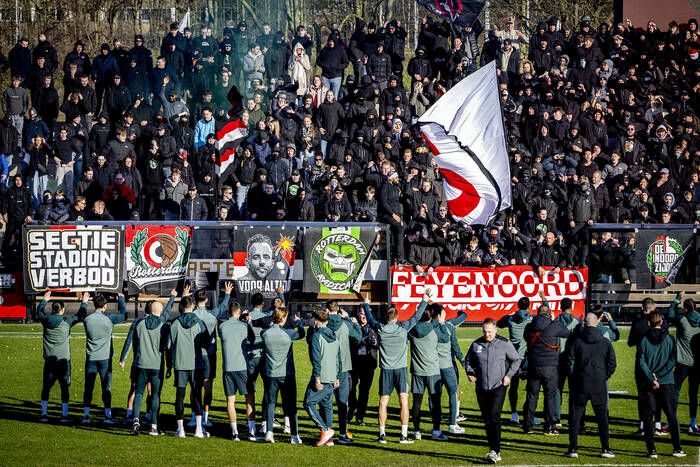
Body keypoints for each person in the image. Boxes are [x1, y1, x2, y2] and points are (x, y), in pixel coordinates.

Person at [363, 289, 432, 444]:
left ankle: (382, 435)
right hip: (400, 370)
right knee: (404, 401)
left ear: (386, 317)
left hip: (386, 371)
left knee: (383, 402)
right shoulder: (403, 328)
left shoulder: (380, 329)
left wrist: (366, 305)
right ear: (397, 316)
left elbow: (370, 319)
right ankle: (404, 435)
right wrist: (424, 301)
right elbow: (416, 317)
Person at [119, 290, 177, 435]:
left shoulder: (138, 323)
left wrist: (123, 359)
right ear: (161, 311)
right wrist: (170, 366)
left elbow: (129, 341)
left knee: (139, 392)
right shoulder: (164, 325)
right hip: (157, 365)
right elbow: (168, 347)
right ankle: (154, 426)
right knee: (155, 395)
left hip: (141, 363)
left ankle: (136, 420)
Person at [465, 318, 522, 464]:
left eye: (490, 332)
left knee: (494, 416)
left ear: (496, 330)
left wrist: (509, 376)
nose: (487, 335)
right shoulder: (476, 344)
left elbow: (517, 360)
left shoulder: (504, 343)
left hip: (498, 386)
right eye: (484, 331)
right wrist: (470, 372)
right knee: (487, 419)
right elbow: (468, 361)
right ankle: (493, 448)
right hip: (481, 388)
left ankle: (495, 451)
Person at [563, 313, 616, 459]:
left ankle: (573, 448)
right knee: (602, 417)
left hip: (580, 383)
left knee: (575, 417)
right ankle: (605, 448)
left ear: (584, 323)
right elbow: (612, 363)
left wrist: (575, 377)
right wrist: (603, 376)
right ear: (597, 323)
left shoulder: (576, 340)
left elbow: (569, 362)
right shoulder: (605, 342)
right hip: (598, 384)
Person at [637, 311, 686, 458]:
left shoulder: (643, 339)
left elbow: (641, 362)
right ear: (661, 322)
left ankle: (651, 450)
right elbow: (673, 360)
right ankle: (677, 448)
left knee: (648, 416)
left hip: (649, 383)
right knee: (671, 415)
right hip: (666, 381)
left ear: (649, 323)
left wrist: (652, 377)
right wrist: (660, 375)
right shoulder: (670, 338)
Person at [186, 283, 232, 428]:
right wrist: (228, 293)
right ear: (206, 300)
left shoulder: (191, 315)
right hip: (209, 355)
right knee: (208, 386)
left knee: (194, 386)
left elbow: (184, 310)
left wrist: (185, 297)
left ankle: (194, 416)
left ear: (194, 300)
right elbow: (224, 307)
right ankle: (205, 417)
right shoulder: (212, 315)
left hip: (194, 354)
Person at [37, 291, 88, 423]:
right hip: (63, 361)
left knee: (46, 387)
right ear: (62, 310)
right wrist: (84, 303)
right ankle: (64, 415)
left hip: (49, 360)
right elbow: (80, 316)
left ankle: (44, 413)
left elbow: (39, 312)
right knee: (64, 387)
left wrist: (44, 300)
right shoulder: (66, 322)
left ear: (52, 309)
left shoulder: (45, 320)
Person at [166, 295, 210, 438]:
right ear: (192, 307)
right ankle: (198, 429)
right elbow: (207, 343)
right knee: (197, 395)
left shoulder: (174, 323)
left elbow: (167, 345)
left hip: (180, 363)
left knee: (180, 396)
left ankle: (181, 429)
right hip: (196, 364)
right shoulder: (199, 322)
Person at [522, 304, 570, 435]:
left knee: (532, 396)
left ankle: (528, 426)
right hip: (550, 366)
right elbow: (566, 332)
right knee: (550, 397)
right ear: (549, 314)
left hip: (533, 365)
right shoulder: (554, 325)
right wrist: (554, 321)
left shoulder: (530, 326)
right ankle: (548, 427)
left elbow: (526, 338)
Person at [261, 307, 305, 444]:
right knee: (291, 405)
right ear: (284, 318)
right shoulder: (289, 333)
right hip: (287, 374)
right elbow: (302, 334)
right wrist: (300, 323)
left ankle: (269, 432)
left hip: (271, 373)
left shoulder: (265, 333)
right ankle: (294, 435)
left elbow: (265, 330)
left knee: (270, 403)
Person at [82, 292, 127, 425]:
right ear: (105, 306)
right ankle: (107, 416)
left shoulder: (87, 319)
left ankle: (86, 415)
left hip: (91, 358)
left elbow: (80, 314)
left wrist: (84, 302)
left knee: (88, 387)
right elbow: (125, 315)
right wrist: (121, 301)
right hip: (105, 359)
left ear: (94, 304)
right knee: (106, 388)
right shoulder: (109, 319)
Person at [408, 300, 449, 441]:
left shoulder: (412, 330)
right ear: (431, 316)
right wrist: (441, 322)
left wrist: (422, 303)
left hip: (417, 372)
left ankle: (417, 431)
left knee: (416, 403)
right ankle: (436, 431)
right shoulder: (434, 328)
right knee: (436, 403)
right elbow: (445, 338)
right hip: (433, 371)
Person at [304, 309, 341, 446]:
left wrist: (317, 378)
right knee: (326, 406)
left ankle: (325, 430)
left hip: (322, 377)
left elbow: (316, 359)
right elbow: (338, 358)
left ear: (315, 322)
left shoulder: (316, 337)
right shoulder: (334, 336)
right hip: (332, 376)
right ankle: (329, 439)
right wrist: (337, 376)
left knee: (308, 403)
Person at [218, 301, 255, 441]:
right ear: (239, 313)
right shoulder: (244, 326)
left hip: (228, 368)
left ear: (228, 312)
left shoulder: (221, 326)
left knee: (230, 401)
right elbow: (251, 339)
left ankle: (235, 433)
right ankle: (252, 432)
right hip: (242, 366)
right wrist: (248, 321)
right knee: (249, 399)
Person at [667, 295, 700, 432]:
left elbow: (669, 316)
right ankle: (693, 423)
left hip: (682, 362)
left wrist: (675, 301)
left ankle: (671, 421)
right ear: (696, 308)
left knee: (675, 391)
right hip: (697, 363)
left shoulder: (682, 320)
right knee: (693, 394)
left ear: (685, 309)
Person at [348, 306, 378, 426]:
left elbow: (381, 342)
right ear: (357, 314)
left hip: (368, 365)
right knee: (351, 390)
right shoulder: (352, 326)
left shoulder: (374, 327)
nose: (364, 316)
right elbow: (352, 341)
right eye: (361, 313)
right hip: (354, 363)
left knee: (364, 392)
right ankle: (351, 409)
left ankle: (360, 417)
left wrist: (377, 343)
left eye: (366, 313)